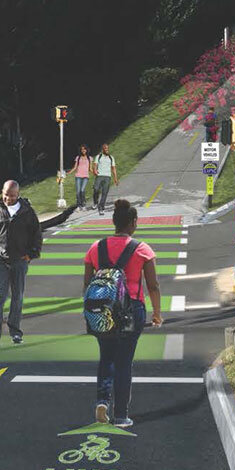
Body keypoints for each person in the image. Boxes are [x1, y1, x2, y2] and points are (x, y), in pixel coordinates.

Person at [82, 197, 162, 428]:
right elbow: (153, 285)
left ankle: (102, 401)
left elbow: (87, 284)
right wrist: (157, 313)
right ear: (133, 223)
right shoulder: (142, 249)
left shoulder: (96, 248)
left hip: (102, 309)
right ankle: (121, 415)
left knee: (106, 357)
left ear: (114, 221)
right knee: (124, 361)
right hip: (131, 310)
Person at [0, 179, 43, 346]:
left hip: (20, 260)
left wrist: (31, 255)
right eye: (6, 195)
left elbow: (36, 235)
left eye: (12, 196)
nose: (9, 198)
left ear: (18, 194)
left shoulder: (27, 211)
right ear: (2, 192)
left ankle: (15, 332)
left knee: (17, 297)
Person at [92, 143, 116, 211]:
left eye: (107, 148)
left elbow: (113, 168)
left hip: (107, 176)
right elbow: (95, 165)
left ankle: (101, 205)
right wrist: (95, 171)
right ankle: (95, 202)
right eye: (105, 148)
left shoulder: (111, 158)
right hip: (99, 176)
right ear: (102, 149)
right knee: (96, 189)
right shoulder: (98, 156)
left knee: (105, 192)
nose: (107, 149)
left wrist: (115, 179)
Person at [72, 145, 92, 210]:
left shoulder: (90, 158)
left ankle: (83, 204)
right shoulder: (78, 158)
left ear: (86, 150)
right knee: (78, 191)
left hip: (85, 176)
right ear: (80, 151)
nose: (83, 150)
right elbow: (75, 167)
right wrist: (68, 172)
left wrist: (96, 173)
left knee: (82, 190)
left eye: (84, 149)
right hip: (78, 176)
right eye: (82, 149)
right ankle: (78, 205)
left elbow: (90, 168)